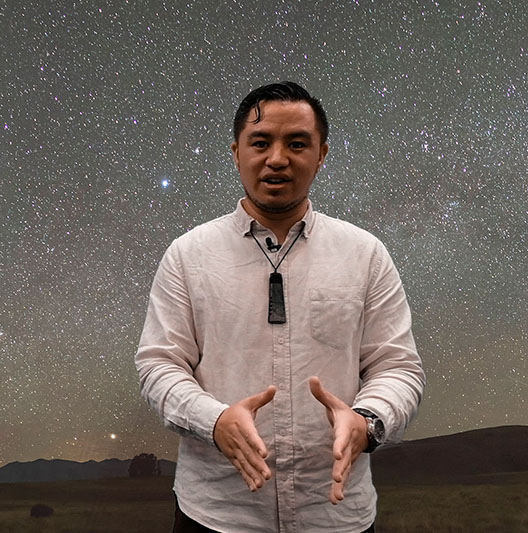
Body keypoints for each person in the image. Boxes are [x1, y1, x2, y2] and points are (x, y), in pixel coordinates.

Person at [135, 81, 425, 532]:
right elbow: (159, 365)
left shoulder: (365, 254)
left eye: (296, 143)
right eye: (260, 142)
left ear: (322, 154)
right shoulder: (187, 255)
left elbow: (398, 366)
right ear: (236, 153)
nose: (276, 158)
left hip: (334, 514)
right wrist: (214, 421)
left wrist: (368, 422)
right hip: (217, 514)